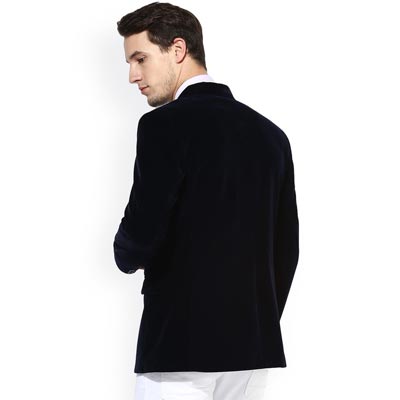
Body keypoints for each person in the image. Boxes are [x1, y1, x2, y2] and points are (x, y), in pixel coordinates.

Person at [113, 2, 299, 399]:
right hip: (252, 350)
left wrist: (124, 253)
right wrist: (256, 322)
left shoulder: (163, 126)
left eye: (140, 59)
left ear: (178, 49)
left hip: (179, 347)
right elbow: (286, 250)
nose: (133, 76)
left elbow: (142, 232)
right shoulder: (271, 136)